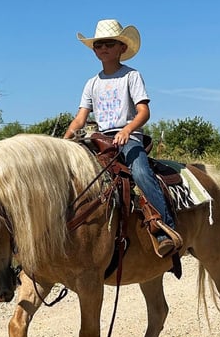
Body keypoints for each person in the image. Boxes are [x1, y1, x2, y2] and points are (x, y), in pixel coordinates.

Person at [64, 19, 182, 258]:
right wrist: (62, 141)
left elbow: (144, 112)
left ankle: (164, 228)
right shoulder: (92, 83)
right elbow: (80, 119)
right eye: (98, 45)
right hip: (98, 138)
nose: (103, 48)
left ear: (122, 48)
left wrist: (127, 130)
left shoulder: (131, 76)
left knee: (140, 172)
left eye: (109, 43)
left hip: (127, 137)